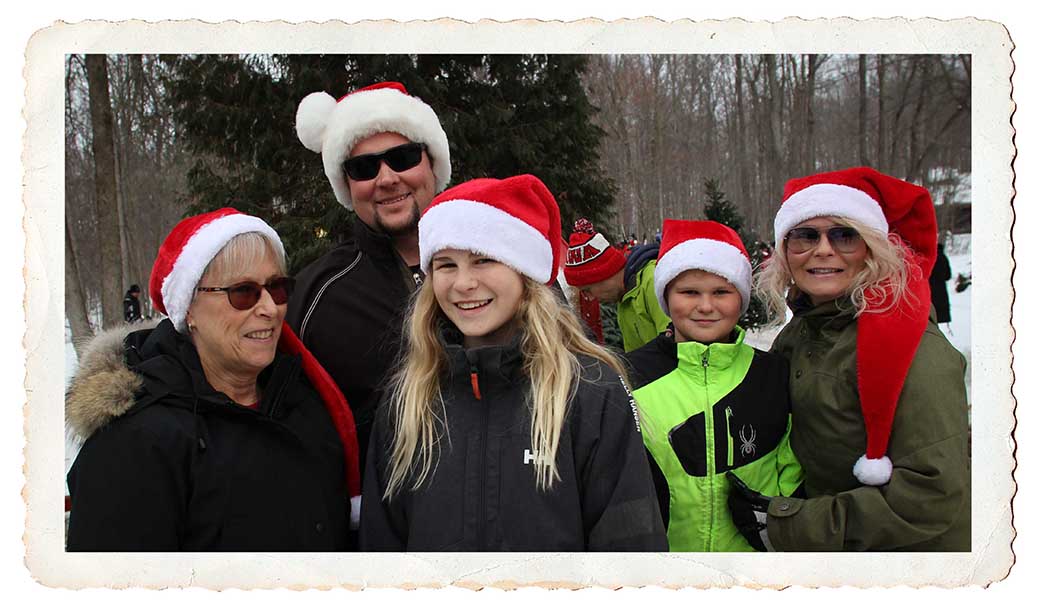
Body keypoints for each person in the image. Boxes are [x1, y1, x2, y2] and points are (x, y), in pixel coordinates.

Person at [360, 175, 668, 551]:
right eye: (446, 265)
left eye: (483, 259)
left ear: (525, 272)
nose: (463, 283)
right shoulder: (410, 399)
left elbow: (630, 548)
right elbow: (382, 548)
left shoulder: (588, 390)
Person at [66, 208, 361, 551]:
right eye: (243, 292)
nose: (270, 308)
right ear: (189, 309)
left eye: (277, 288)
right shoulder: (136, 444)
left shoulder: (303, 402)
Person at [729, 167, 970, 551]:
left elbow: (930, 495)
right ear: (785, 253)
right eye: (805, 235)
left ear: (872, 248)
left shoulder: (914, 348)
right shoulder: (803, 332)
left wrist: (791, 525)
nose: (823, 249)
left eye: (844, 235)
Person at [288, 81, 451, 477]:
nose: (386, 178)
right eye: (364, 167)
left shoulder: (504, 260)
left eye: (403, 157)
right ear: (347, 185)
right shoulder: (318, 297)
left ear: (432, 162)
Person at [626, 219, 801, 551]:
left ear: (742, 298)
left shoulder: (771, 375)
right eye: (689, 292)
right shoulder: (629, 377)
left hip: (751, 573)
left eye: (721, 292)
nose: (705, 306)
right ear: (666, 296)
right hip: (663, 570)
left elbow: (791, 467)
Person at [564, 218, 670, 352]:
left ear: (603, 273)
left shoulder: (652, 281)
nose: (589, 298)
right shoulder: (623, 297)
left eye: (587, 290)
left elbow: (672, 344)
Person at [930, 237, 953, 324]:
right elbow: (948, 276)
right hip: (941, 293)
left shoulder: (928, 256)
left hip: (930, 293)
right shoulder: (943, 257)